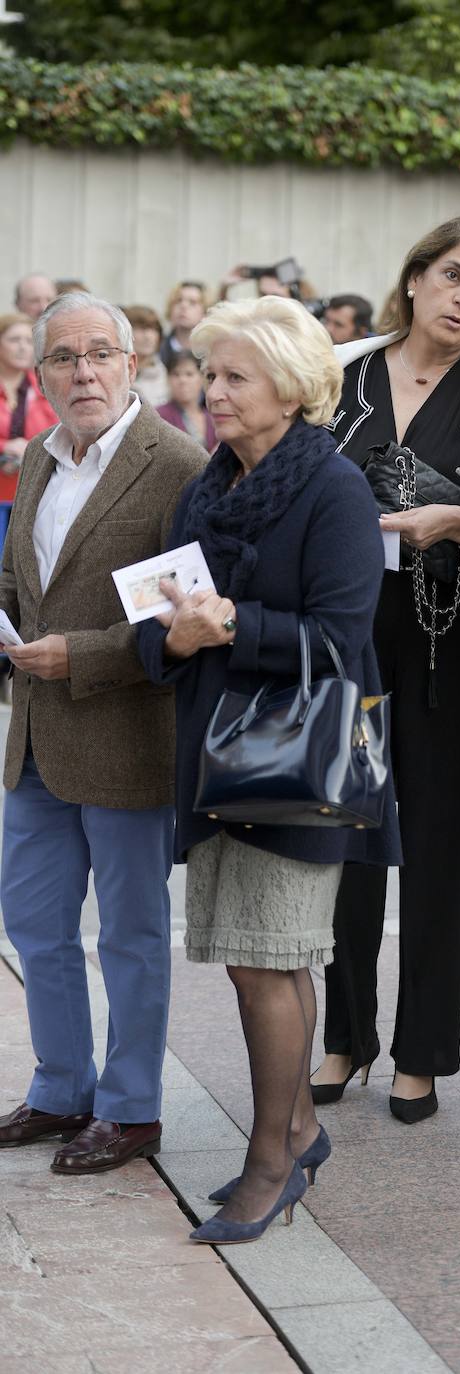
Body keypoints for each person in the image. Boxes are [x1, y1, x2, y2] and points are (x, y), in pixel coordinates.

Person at [136, 295, 399, 1243]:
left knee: (266, 964)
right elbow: (156, 629)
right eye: (211, 375)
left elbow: (341, 638)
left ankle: (272, 1162)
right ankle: (298, 1127)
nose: (212, 393)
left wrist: (231, 625)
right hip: (218, 759)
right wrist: (168, 639)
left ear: (290, 390)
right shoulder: (207, 488)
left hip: (300, 763)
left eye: (233, 377)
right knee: (265, 964)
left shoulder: (334, 491)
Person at [310, 216, 460, 1123]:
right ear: (414, 279)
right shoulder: (339, 373)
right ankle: (345, 1038)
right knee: (344, 844)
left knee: (442, 850)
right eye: (452, 276)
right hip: (348, 637)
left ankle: (422, 1055)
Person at [0, 291, 204, 1171]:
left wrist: (75, 654)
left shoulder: (178, 464)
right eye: (63, 358)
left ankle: (130, 1107)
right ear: (40, 373)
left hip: (125, 736)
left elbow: (184, 620)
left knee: (128, 933)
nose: (81, 372)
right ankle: (59, 1088)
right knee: (36, 924)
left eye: (99, 355)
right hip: (37, 736)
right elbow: (25, 586)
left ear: (132, 363)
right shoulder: (43, 457)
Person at [0, 312, 57, 503]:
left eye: (29, 341)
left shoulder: (46, 388)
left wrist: (30, 449)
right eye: (14, 340)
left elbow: (59, 434)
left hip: (33, 494)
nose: (23, 347)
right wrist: (4, 446)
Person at [157, 349, 217, 450]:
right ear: (168, 379)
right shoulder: (159, 416)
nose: (182, 380)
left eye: (189, 374)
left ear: (202, 378)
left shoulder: (213, 417)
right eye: (176, 374)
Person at [124, 305, 169, 408]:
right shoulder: (115, 372)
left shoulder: (166, 376)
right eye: (141, 329)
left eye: (154, 330)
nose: (148, 336)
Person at [160, 280, 209, 363]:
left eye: (192, 302)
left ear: (205, 311)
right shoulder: (157, 351)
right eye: (178, 300)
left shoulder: (213, 351)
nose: (183, 306)